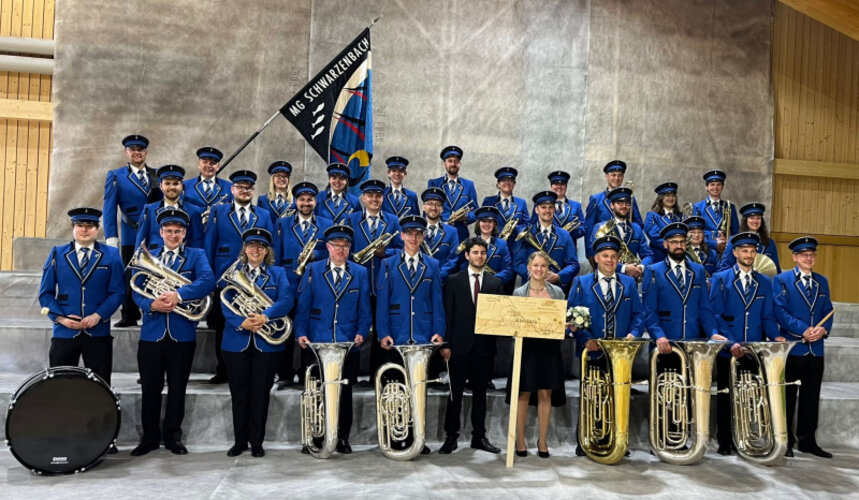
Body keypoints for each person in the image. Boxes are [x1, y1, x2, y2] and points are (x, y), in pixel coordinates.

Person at [130, 208, 215, 456]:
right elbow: (136, 289)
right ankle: (149, 438)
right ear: (161, 232)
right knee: (150, 388)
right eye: (169, 231)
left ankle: (173, 437)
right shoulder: (148, 256)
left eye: (178, 231)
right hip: (151, 333)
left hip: (182, 333)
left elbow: (208, 280)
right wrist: (150, 304)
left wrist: (179, 294)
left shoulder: (196, 255)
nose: (173, 235)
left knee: (178, 388)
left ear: (185, 233)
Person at [295, 225, 372, 454]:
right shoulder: (312, 269)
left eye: (345, 246)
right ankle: (315, 437)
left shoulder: (360, 272)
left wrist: (362, 331)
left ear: (350, 248)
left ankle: (342, 437)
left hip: (347, 342)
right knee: (316, 391)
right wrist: (300, 332)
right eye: (336, 245)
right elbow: (303, 306)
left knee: (344, 393)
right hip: (318, 339)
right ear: (328, 247)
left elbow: (365, 308)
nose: (340, 249)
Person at [567, 235, 646, 457]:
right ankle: (586, 439)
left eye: (613, 256)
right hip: (593, 349)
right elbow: (572, 315)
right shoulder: (581, 283)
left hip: (620, 351)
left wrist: (634, 334)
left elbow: (639, 314)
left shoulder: (628, 283)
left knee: (617, 396)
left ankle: (617, 439)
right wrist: (586, 339)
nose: (609, 260)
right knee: (592, 395)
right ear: (596, 258)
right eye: (605, 256)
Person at [375, 214, 446, 455]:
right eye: (409, 234)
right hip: (397, 334)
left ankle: (419, 437)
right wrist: (383, 332)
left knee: (418, 388)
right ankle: (397, 438)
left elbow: (437, 300)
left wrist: (439, 331)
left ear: (423, 237)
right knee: (395, 388)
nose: (413, 238)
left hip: (423, 335)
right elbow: (382, 302)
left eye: (418, 234)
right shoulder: (387, 264)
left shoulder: (432, 265)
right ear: (402, 236)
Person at [709, 231, 783, 456]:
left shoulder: (765, 281)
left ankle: (744, 438)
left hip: (753, 348)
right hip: (728, 349)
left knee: (749, 396)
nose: (749, 255)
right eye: (744, 251)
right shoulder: (721, 279)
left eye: (752, 251)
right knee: (726, 395)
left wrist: (775, 337)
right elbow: (716, 315)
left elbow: (768, 316)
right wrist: (730, 342)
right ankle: (724, 440)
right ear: (735, 253)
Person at [222, 228, 293, 458]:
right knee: (239, 394)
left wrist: (265, 316)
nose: (256, 250)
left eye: (261, 246)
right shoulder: (233, 273)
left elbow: (286, 300)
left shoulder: (278, 273)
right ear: (244, 249)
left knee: (260, 394)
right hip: (236, 342)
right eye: (252, 245)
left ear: (267, 251)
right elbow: (225, 302)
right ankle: (239, 441)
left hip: (267, 344)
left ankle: (256, 442)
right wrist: (241, 322)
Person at [204, 170, 276, 384]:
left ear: (253, 191)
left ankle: (252, 365)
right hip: (224, 277)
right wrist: (210, 278)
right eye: (240, 187)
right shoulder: (218, 211)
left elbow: (270, 247)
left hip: (255, 278)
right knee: (223, 324)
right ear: (232, 189)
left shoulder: (263, 214)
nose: (245, 191)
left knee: (253, 320)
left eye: (249, 188)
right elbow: (209, 244)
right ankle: (223, 369)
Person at [38, 207, 125, 385]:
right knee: (60, 385)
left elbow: (118, 291)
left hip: (98, 331)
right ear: (73, 227)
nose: (85, 230)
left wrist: (98, 315)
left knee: (100, 386)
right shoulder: (57, 253)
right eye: (80, 225)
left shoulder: (112, 254)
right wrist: (61, 318)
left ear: (97, 229)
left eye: (90, 226)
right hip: (65, 331)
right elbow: (45, 293)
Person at [438, 237, 504, 455]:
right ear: (467, 255)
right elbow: (448, 314)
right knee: (454, 395)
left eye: (483, 253)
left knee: (480, 396)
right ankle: (451, 437)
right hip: (458, 348)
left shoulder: (495, 283)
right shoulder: (454, 280)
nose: (479, 256)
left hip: (484, 349)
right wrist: (445, 344)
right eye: (475, 252)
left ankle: (479, 437)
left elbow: (499, 317)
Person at [773, 236, 835, 458]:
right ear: (795, 257)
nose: (809, 258)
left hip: (816, 348)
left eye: (812, 254)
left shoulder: (822, 281)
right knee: (788, 396)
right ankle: (786, 441)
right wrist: (803, 330)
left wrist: (824, 329)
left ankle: (808, 441)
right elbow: (780, 311)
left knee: (811, 396)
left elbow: (828, 310)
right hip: (794, 347)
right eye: (804, 255)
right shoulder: (781, 280)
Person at [272, 181, 332, 387]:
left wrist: (317, 255)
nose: (306, 203)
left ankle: (310, 371)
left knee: (312, 328)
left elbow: (332, 252)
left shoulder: (326, 223)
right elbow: (275, 256)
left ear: (316, 201)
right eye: (302, 199)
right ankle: (285, 373)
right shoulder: (282, 223)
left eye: (310, 199)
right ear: (296, 201)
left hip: (316, 286)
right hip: (289, 284)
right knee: (286, 330)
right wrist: (278, 285)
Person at [507, 252, 566, 459]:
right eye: (536, 265)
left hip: (549, 348)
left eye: (543, 266)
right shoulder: (519, 293)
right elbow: (513, 324)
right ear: (528, 268)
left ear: (547, 269)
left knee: (545, 394)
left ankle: (542, 440)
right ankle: (520, 440)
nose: (539, 269)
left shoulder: (557, 292)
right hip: (526, 348)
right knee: (523, 393)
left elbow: (560, 320)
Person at [103, 134, 161, 327]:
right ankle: (129, 314)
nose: (137, 153)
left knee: (155, 273)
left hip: (155, 234)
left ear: (146, 152)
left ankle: (152, 312)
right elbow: (109, 208)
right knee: (129, 274)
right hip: (131, 233)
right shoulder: (116, 176)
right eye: (133, 149)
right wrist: (111, 237)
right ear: (126, 152)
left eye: (140, 149)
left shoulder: (157, 175)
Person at [642, 222, 726, 354]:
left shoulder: (698, 270)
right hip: (665, 345)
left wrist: (713, 332)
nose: (679, 246)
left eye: (682, 242)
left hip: (693, 343)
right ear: (666, 244)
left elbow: (705, 308)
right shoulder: (653, 271)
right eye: (674, 242)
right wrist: (658, 335)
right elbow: (649, 310)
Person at [348, 179, 402, 374]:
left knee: (383, 328)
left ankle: (378, 373)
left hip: (383, 283)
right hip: (359, 283)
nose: (374, 199)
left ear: (382, 198)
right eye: (370, 195)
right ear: (363, 198)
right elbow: (346, 248)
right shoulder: (351, 219)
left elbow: (402, 250)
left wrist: (386, 253)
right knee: (355, 327)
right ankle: (352, 374)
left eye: (378, 196)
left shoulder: (393, 220)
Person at [512, 191, 579, 290]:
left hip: (556, 288)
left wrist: (558, 276)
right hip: (530, 288)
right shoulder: (526, 233)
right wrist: (536, 276)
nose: (547, 211)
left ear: (555, 209)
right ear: (536, 210)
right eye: (543, 207)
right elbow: (518, 263)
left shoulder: (565, 235)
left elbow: (573, 264)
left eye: (550, 207)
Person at [587, 187, 652, 279]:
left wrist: (640, 267)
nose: (624, 206)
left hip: (632, 280)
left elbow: (648, 255)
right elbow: (597, 256)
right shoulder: (600, 228)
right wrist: (624, 268)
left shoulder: (637, 228)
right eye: (620, 203)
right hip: (608, 278)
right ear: (612, 205)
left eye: (627, 203)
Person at [135, 165, 205, 250]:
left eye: (175, 183)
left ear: (182, 186)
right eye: (167, 183)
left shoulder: (194, 211)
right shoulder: (149, 210)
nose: (172, 187)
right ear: (161, 186)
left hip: (183, 257)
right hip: (154, 257)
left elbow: (197, 242)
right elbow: (140, 242)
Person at [427, 146, 479, 242]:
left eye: (456, 161)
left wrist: (465, 217)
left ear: (459, 164)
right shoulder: (434, 183)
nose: (453, 164)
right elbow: (427, 210)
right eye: (450, 161)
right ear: (444, 164)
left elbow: (476, 211)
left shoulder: (469, 185)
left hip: (461, 234)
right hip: (438, 232)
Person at [584, 160, 643, 240]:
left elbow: (638, 224)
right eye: (613, 175)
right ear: (607, 176)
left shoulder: (630, 198)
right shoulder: (596, 199)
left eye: (620, 175)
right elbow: (589, 229)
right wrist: (590, 248)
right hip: (603, 244)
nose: (617, 178)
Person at [718, 202, 781, 273]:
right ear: (746, 220)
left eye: (758, 218)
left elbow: (776, 269)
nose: (755, 221)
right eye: (752, 218)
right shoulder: (734, 240)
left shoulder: (770, 243)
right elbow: (725, 266)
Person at [691, 169, 739, 255]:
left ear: (722, 187)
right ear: (706, 187)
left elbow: (735, 232)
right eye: (712, 184)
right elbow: (695, 233)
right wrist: (714, 244)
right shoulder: (698, 207)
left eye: (718, 185)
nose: (715, 188)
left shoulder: (730, 207)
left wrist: (726, 244)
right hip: (706, 250)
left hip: (726, 251)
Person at [463, 206, 514, 286]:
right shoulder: (469, 243)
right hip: (472, 285)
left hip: (494, 287)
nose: (487, 224)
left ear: (494, 224)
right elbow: (463, 268)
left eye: (490, 221)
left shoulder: (502, 244)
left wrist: (491, 281)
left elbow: (508, 270)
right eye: (483, 221)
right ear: (478, 223)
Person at [531, 170, 586, 242]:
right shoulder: (540, 204)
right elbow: (533, 224)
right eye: (556, 184)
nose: (559, 187)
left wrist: (569, 232)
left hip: (569, 244)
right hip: (546, 244)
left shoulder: (576, 206)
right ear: (551, 186)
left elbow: (584, 227)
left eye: (562, 184)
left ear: (566, 186)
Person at [420, 187, 460, 282]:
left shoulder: (452, 232)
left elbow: (453, 259)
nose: (434, 208)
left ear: (442, 209)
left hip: (442, 282)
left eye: (437, 204)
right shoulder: (416, 230)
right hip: (419, 281)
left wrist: (438, 276)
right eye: (430, 204)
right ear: (423, 207)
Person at [643, 182, 684, 262]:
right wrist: (674, 246)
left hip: (679, 258)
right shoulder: (652, 215)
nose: (671, 198)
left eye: (673, 195)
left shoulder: (681, 216)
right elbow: (654, 236)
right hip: (659, 258)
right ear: (661, 198)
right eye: (667, 195)